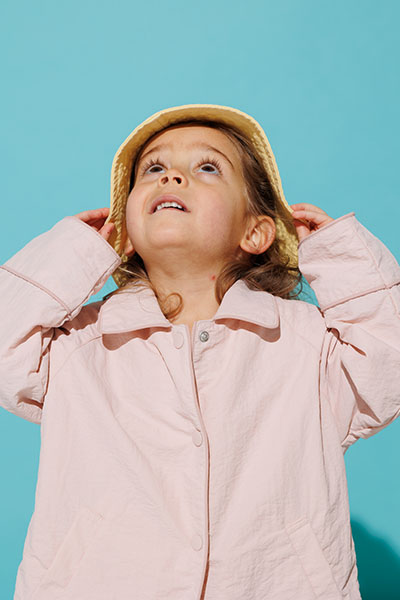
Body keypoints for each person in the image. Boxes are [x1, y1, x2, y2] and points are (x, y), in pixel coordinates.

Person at [1, 103, 399, 600]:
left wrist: (341, 255)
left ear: (255, 231)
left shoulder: (305, 344)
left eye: (207, 167)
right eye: (153, 168)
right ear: (125, 233)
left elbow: (389, 365)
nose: (171, 176)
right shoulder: (80, 345)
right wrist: (72, 252)